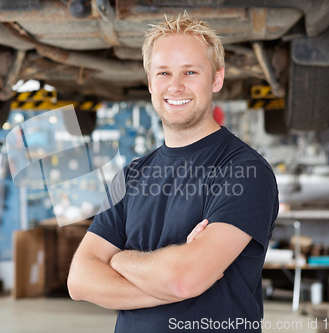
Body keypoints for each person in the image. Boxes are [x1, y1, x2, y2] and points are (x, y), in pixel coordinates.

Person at [68, 12, 279, 333]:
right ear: (151, 82)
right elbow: (79, 281)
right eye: (164, 72)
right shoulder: (131, 176)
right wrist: (167, 278)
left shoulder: (245, 171)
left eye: (190, 71)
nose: (175, 85)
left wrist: (120, 260)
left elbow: (184, 279)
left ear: (216, 79)